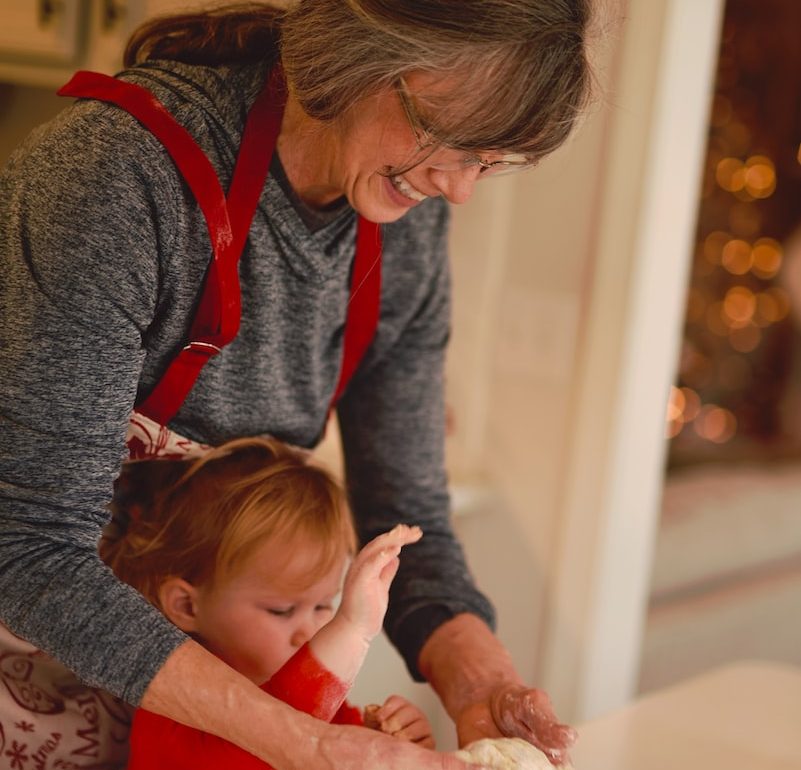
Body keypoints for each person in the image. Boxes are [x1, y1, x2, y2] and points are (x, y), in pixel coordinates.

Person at [0, 2, 594, 768]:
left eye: (488, 158)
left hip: (176, 711)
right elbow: (29, 550)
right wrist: (306, 743)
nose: (461, 189)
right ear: (357, 54)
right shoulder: (114, 177)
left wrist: (483, 683)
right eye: (450, 139)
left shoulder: (403, 221)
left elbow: (407, 518)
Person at [102, 437, 434, 767]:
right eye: (282, 610)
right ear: (188, 606)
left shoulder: (327, 705)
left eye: (323, 606)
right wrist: (351, 630)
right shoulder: (169, 705)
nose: (309, 633)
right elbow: (262, 754)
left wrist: (389, 742)